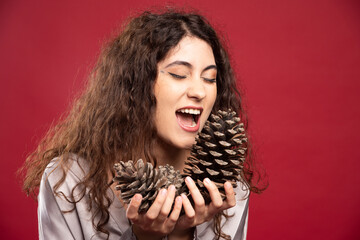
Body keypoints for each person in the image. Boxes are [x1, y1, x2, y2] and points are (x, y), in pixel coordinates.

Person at [22, 9, 264, 240]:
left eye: (210, 79)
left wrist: (182, 233)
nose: (199, 91)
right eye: (179, 74)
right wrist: (145, 237)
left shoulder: (229, 190)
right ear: (137, 86)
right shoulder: (69, 181)